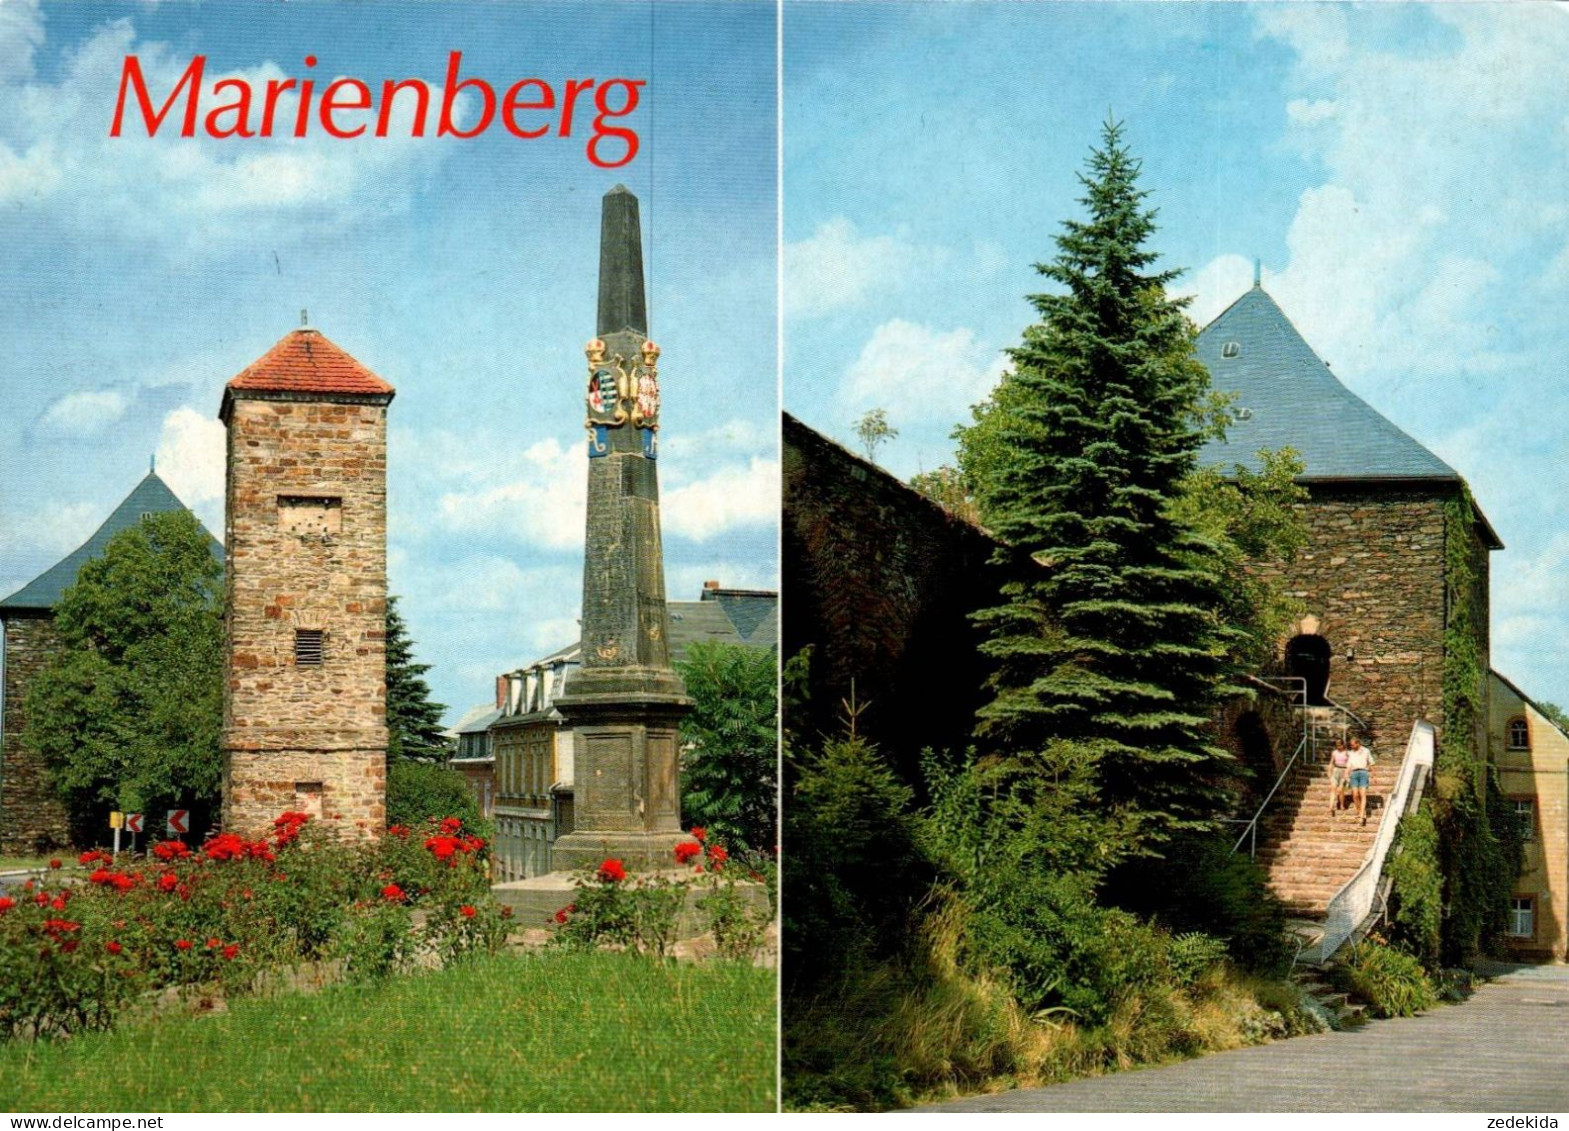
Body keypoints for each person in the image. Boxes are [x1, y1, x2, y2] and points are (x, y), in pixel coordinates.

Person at [1346, 736, 1375, 826]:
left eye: (1353, 745)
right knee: (1355, 795)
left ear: (1358, 743)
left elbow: (1371, 763)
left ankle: (1362, 815)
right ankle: (1359, 812)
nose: (1352, 746)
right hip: (1353, 773)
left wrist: (1374, 776)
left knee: (1362, 794)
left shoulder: (1366, 751)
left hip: (1363, 772)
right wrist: (1346, 774)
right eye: (1351, 745)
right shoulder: (1350, 753)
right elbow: (1349, 765)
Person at [1328, 739, 1350, 816]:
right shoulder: (1334, 753)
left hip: (1344, 770)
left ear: (1343, 745)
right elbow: (1331, 762)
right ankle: (1331, 807)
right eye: (1337, 745)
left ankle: (1341, 805)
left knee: (1340, 790)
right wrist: (1329, 772)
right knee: (1333, 788)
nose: (1338, 746)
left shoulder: (1347, 753)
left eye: (1340, 745)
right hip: (1336, 770)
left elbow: (1350, 763)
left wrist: (1347, 774)